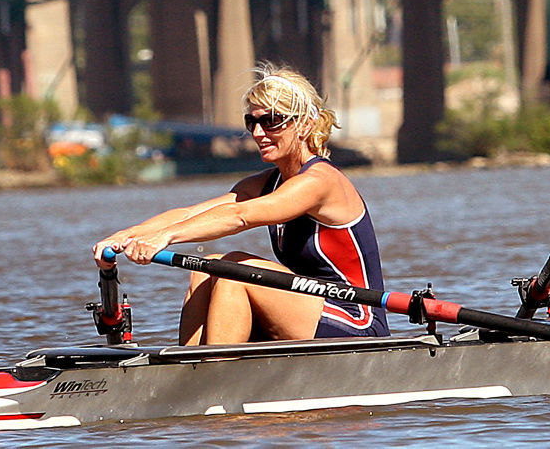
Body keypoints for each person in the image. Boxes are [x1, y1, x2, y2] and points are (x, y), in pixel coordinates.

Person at [93, 63, 390, 344]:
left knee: (234, 269)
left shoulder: (320, 181)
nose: (258, 133)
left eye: (272, 121)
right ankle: (190, 370)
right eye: (253, 122)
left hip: (356, 316)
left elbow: (240, 216)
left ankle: (213, 377)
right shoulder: (265, 182)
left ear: (304, 125)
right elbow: (191, 213)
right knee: (206, 268)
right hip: (307, 307)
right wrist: (130, 235)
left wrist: (164, 238)